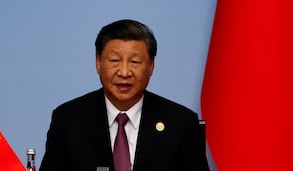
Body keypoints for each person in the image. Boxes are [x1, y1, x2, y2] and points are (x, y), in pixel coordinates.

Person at [39, 19, 210, 171]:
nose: (124, 72)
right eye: (114, 61)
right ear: (98, 62)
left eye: (135, 62)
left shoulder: (181, 124)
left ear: (151, 66)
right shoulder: (68, 120)